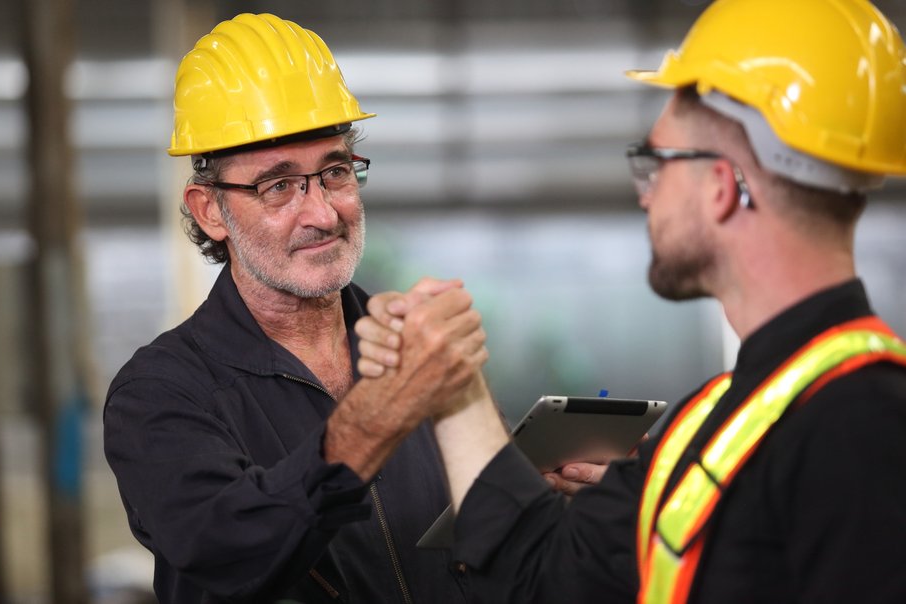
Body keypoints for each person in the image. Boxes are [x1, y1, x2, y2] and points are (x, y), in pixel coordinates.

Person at [354, 0, 906, 601]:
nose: (645, 196)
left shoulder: (861, 428)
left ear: (720, 187)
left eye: (655, 163)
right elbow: (542, 572)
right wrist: (452, 379)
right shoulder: (723, 418)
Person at [101, 13, 495, 603]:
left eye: (334, 172)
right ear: (210, 211)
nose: (323, 213)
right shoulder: (161, 393)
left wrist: (527, 499)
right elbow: (226, 556)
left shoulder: (408, 345)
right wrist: (374, 420)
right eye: (279, 186)